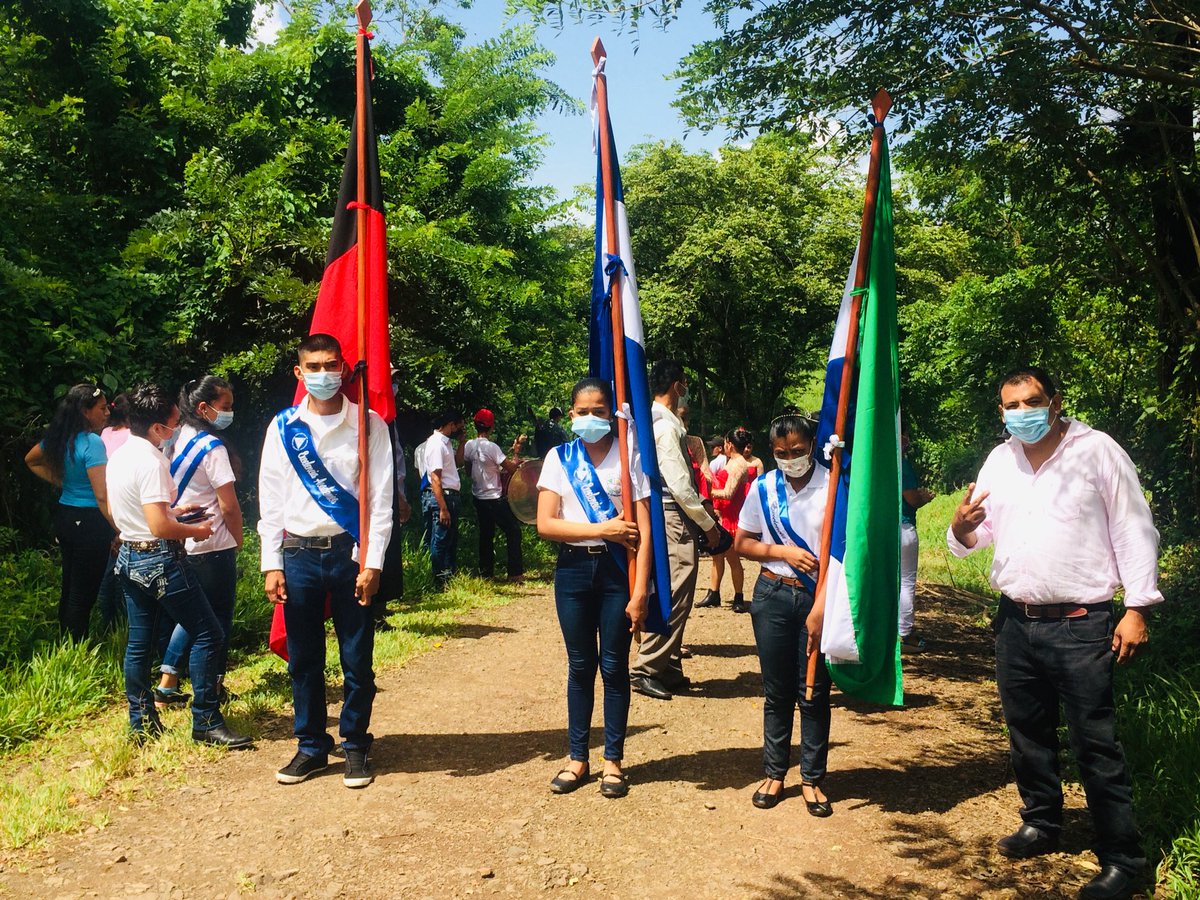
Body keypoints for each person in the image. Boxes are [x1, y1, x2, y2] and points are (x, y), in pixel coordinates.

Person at [948, 366, 1162, 900]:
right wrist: (960, 527)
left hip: (1081, 624)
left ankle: (1122, 857)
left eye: (1032, 401)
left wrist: (1137, 607)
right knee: (1027, 733)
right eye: (1011, 405)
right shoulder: (1001, 460)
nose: (1022, 412)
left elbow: (1134, 528)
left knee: (1096, 743)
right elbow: (981, 531)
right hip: (1015, 621)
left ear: (1055, 401)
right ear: (1001, 411)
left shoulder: (1097, 451)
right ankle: (1042, 823)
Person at [258, 333, 394, 788]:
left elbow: (380, 500)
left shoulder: (368, 424)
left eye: (331, 365)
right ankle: (312, 746)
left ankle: (355, 743)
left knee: (357, 657)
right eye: (313, 367)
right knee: (304, 659)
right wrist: (271, 562)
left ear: (344, 369)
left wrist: (373, 562)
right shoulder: (283, 428)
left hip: (349, 554)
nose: (323, 374)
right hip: (297, 554)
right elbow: (270, 499)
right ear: (299, 373)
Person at [106, 384, 251, 748]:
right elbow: (159, 527)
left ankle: (141, 722)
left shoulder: (120, 455)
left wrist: (175, 512)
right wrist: (195, 530)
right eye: (172, 422)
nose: (175, 428)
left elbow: (138, 511)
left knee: (138, 644)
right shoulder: (152, 461)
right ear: (157, 427)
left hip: (129, 555)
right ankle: (206, 719)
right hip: (160, 557)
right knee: (209, 633)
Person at [536, 377, 651, 799]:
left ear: (612, 413)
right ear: (571, 415)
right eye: (582, 412)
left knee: (615, 666)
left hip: (617, 571)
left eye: (599, 411)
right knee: (580, 666)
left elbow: (645, 530)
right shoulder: (558, 458)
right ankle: (577, 757)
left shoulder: (629, 456)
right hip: (572, 571)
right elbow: (546, 524)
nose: (590, 418)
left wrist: (641, 591)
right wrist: (601, 529)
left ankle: (613, 761)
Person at [734, 415, 833, 815]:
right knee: (777, 691)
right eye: (781, 453)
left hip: (818, 597)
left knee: (814, 691)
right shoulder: (763, 487)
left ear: (812, 445)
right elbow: (742, 542)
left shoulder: (833, 485)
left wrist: (822, 606)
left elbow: (844, 551)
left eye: (797, 451)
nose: (790, 459)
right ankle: (775, 772)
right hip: (772, 593)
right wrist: (782, 552)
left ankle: (812, 778)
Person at [629, 360, 720, 701]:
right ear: (677, 385)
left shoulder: (654, 419)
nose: (687, 391)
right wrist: (707, 524)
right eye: (685, 384)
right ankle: (647, 666)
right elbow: (680, 484)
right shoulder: (665, 426)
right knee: (677, 590)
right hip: (673, 514)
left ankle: (666, 664)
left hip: (664, 513)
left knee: (674, 587)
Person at [154, 377, 243, 709]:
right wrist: (238, 539)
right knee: (216, 618)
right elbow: (228, 505)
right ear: (204, 408)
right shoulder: (212, 447)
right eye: (225, 406)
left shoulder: (174, 439)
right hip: (213, 542)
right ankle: (212, 685)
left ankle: (167, 684)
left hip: (182, 539)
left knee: (193, 615)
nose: (230, 413)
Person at [25, 383, 117, 642]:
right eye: (102, 408)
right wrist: (120, 529)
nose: (107, 413)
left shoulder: (61, 438)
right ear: (86, 411)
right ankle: (76, 648)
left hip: (66, 516)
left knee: (70, 586)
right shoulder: (93, 442)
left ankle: (64, 642)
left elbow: (31, 459)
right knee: (83, 594)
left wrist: (63, 482)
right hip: (90, 522)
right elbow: (101, 495)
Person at [697, 428, 763, 613]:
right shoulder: (734, 461)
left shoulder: (738, 464)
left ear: (730, 444)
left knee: (733, 559)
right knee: (717, 557)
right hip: (724, 514)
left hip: (732, 516)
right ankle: (714, 592)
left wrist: (704, 492)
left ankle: (738, 596)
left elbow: (728, 493)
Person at [463, 408, 525, 580]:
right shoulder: (492, 447)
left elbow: (468, 471)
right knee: (513, 531)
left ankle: (486, 573)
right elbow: (511, 469)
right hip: (494, 498)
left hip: (478, 496)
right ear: (491, 427)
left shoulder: (468, 446)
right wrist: (516, 454)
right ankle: (515, 573)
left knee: (486, 534)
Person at [420, 410, 466, 590]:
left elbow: (458, 462)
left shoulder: (446, 443)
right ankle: (438, 580)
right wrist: (442, 507)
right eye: (458, 426)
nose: (459, 429)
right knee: (440, 540)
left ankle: (448, 577)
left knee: (449, 540)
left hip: (450, 496)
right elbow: (435, 478)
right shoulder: (436, 444)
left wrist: (462, 442)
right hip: (443, 497)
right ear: (450, 424)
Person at [898, 418, 934, 650]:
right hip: (903, 528)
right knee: (906, 580)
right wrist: (924, 497)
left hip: (880, 529)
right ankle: (904, 634)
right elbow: (911, 499)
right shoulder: (901, 463)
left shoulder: (874, 462)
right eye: (905, 434)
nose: (907, 440)